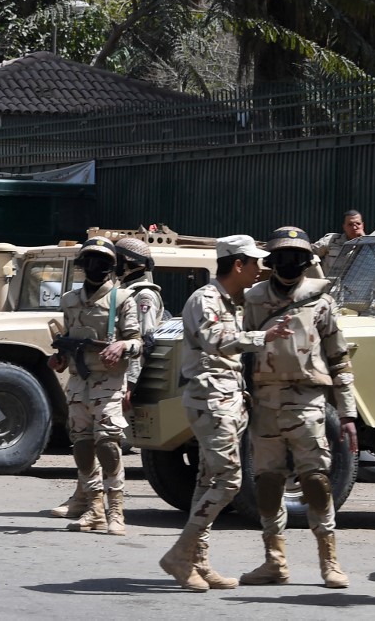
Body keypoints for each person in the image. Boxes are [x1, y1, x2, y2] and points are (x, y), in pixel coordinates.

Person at [160, 235, 292, 591]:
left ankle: (198, 561)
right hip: (211, 400)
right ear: (237, 264)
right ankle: (180, 554)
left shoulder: (231, 301)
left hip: (226, 398)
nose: (259, 269)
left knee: (208, 480)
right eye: (254, 262)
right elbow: (215, 340)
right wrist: (263, 337)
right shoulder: (205, 299)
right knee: (229, 480)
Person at [240, 226, 357, 589]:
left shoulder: (321, 300)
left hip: (307, 401)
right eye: (283, 257)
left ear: (307, 262)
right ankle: (274, 561)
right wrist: (240, 399)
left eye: (297, 258)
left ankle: (330, 561)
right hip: (264, 402)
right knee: (268, 482)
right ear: (271, 262)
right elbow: (242, 351)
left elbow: (338, 358)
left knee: (316, 480)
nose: (289, 264)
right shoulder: (254, 299)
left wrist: (348, 413)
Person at [48, 236, 164, 521]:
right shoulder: (72, 300)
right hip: (81, 381)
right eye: (89, 260)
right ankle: (89, 501)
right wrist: (61, 356)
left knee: (108, 444)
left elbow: (144, 342)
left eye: (105, 261)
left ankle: (110, 508)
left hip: (111, 380)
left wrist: (131, 382)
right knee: (83, 444)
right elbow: (69, 335)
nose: (95, 266)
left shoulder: (133, 297)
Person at [312, 210, 365, 274]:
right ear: (344, 227)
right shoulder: (331, 241)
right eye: (350, 224)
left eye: (358, 224)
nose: (354, 227)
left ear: (363, 225)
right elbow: (309, 252)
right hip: (331, 280)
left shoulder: (369, 245)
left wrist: (365, 240)